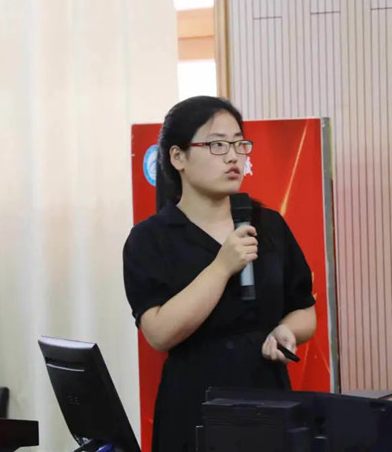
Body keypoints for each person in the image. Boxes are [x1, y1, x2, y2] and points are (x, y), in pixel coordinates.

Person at [123, 96, 316, 452]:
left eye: (239, 144)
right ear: (178, 157)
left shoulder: (269, 225)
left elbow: (305, 309)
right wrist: (222, 267)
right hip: (193, 407)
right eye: (217, 145)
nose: (233, 157)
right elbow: (159, 333)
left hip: (269, 401)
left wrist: (287, 331)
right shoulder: (150, 239)